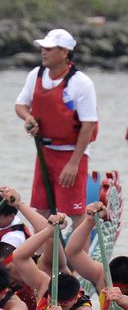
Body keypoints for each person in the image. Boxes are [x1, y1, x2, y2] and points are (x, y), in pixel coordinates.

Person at [14, 28, 98, 227]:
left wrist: (73, 163)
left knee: (75, 212)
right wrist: (28, 118)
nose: (44, 52)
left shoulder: (81, 83)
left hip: (72, 153)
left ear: (64, 52)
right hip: (45, 151)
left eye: (49, 48)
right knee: (41, 209)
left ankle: (78, 256)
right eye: (43, 48)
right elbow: (20, 105)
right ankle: (43, 255)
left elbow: (88, 125)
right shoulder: (36, 75)